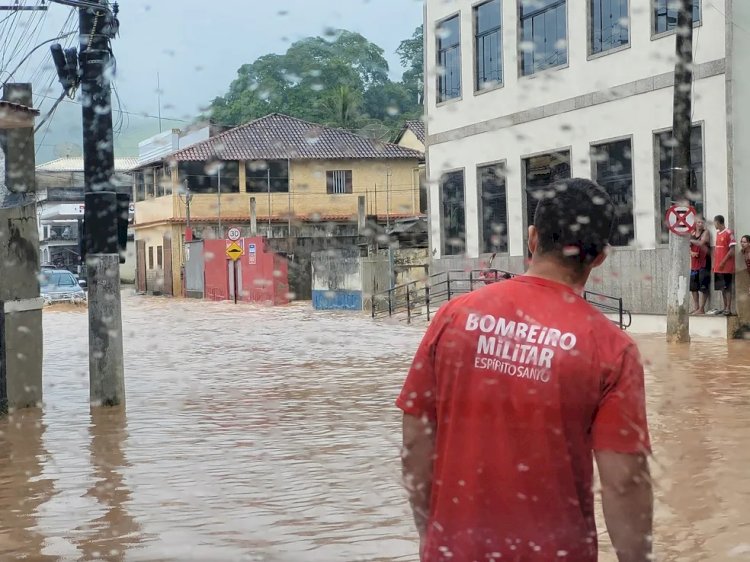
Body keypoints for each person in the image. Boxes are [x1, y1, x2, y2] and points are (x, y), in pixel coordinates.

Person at [398, 178, 653, 562]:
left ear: (532, 238)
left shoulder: (454, 316)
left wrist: (427, 533)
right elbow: (623, 483)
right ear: (600, 256)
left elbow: (416, 441)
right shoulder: (612, 349)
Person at [712, 215, 737, 316]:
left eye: (714, 222)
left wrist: (723, 262)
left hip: (726, 267)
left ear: (718, 222)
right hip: (718, 267)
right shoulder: (718, 233)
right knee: (722, 288)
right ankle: (724, 307)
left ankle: (729, 308)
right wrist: (715, 264)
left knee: (727, 288)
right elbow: (716, 250)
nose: (714, 224)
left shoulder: (729, 233)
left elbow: (732, 250)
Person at [689, 217, 711, 314]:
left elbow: (701, 242)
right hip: (694, 264)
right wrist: (691, 253)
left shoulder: (706, 232)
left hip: (704, 263)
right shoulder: (692, 233)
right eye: (698, 222)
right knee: (693, 287)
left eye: (702, 222)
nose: (700, 224)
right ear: (695, 223)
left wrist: (690, 239)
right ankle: (696, 307)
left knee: (703, 287)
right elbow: (687, 246)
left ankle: (702, 308)